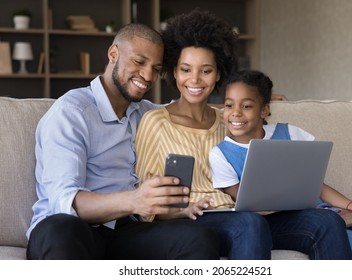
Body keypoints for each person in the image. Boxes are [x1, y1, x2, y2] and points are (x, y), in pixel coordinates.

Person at [134, 9, 352, 259]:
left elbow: (249, 118)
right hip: (193, 220)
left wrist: (262, 102)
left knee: (325, 222)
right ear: (174, 72)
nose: (195, 79)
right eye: (185, 69)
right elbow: (146, 201)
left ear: (218, 75)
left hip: (245, 215)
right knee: (249, 224)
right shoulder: (156, 121)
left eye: (205, 71)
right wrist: (180, 211)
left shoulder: (227, 120)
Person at [26, 23, 221, 260]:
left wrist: (249, 100)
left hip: (125, 231)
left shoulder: (146, 113)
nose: (148, 76)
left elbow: (188, 108)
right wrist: (135, 201)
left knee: (199, 238)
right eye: (139, 62)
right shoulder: (71, 112)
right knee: (61, 229)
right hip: (72, 232)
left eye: (156, 68)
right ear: (113, 54)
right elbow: (65, 202)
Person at [209, 69, 352, 260]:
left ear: (264, 110)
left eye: (246, 106)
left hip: (325, 212)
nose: (235, 113)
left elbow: (317, 186)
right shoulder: (221, 154)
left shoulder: (290, 133)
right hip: (279, 221)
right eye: (229, 105)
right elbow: (246, 202)